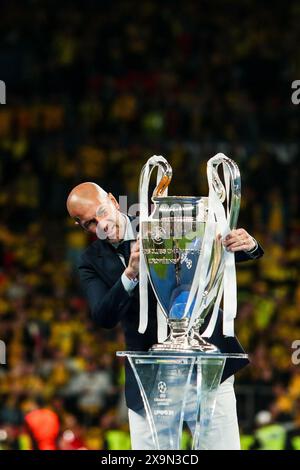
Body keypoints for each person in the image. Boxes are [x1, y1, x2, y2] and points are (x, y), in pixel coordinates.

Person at [66, 182, 264, 450]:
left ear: (113, 200)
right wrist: (130, 274)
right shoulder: (90, 259)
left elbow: (214, 252)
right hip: (149, 375)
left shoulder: (162, 222)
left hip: (205, 363)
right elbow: (103, 316)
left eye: (101, 211)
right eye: (89, 223)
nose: (101, 224)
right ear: (81, 226)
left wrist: (248, 245)